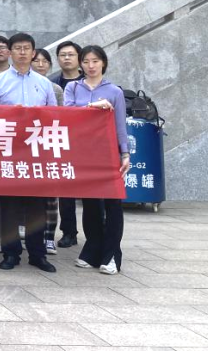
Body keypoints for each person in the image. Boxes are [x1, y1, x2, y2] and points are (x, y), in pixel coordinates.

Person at [0, 33, 58, 273]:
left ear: (34, 53)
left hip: (36, 153)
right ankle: (11, 253)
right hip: (9, 152)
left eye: (27, 48)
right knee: (9, 207)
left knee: (37, 207)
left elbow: (55, 117)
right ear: (9, 52)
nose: (22, 52)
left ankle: (37, 254)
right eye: (17, 48)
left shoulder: (44, 83)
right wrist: (8, 114)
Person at [66, 45, 130, 275]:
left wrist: (125, 153)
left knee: (113, 204)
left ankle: (112, 255)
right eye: (86, 61)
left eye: (95, 61)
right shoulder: (73, 87)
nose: (90, 66)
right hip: (83, 153)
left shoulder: (114, 91)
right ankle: (92, 250)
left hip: (108, 152)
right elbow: (68, 115)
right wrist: (93, 105)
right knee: (91, 203)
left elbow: (120, 125)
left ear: (103, 62)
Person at [32, 47, 65, 256]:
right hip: (27, 146)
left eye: (45, 61)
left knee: (51, 196)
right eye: (37, 61)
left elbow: (61, 117)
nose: (41, 64)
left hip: (49, 145)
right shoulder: (23, 85)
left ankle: (49, 236)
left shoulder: (56, 89)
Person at [51, 41, 83, 249]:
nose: (67, 58)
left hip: (84, 142)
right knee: (65, 191)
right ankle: (69, 231)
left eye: (71, 54)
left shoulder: (88, 81)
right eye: (63, 55)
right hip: (60, 142)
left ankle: (97, 230)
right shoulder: (52, 84)